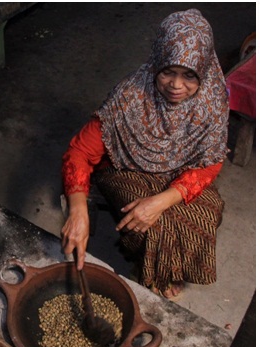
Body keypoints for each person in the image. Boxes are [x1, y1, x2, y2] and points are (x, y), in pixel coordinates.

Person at [60, 9, 229, 299]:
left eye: (189, 76)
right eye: (168, 72)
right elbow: (79, 152)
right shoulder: (130, 95)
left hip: (181, 171)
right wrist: (77, 211)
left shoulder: (213, 101)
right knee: (145, 224)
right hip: (124, 166)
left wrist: (162, 200)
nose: (176, 85)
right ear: (156, 63)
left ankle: (169, 268)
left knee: (208, 212)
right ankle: (150, 270)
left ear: (204, 70)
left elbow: (211, 163)